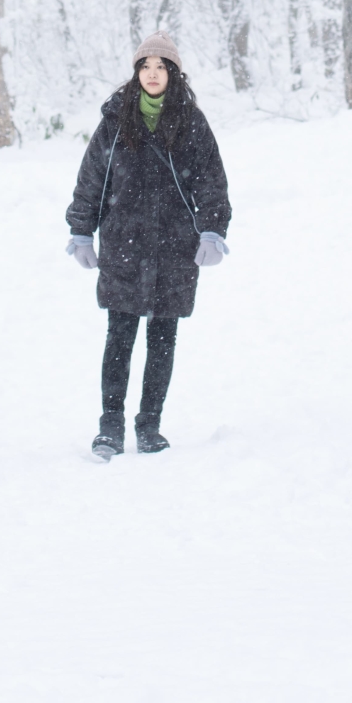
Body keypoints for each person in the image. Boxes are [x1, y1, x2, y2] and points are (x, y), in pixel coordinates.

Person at [66, 32, 231, 459]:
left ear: (173, 73)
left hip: (176, 246)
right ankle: (110, 425)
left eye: (161, 67)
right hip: (125, 242)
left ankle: (150, 425)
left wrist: (212, 229)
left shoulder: (191, 121)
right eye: (145, 66)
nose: (152, 73)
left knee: (163, 338)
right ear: (136, 72)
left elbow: (212, 180)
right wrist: (81, 229)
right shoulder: (116, 120)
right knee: (119, 336)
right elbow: (92, 178)